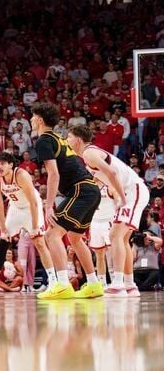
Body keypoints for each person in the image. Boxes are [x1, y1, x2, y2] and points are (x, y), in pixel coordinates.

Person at [67, 124, 150, 298]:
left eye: (69, 137)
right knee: (123, 238)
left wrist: (121, 197)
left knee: (115, 236)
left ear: (78, 139)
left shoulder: (89, 153)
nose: (67, 141)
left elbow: (111, 173)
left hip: (131, 190)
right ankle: (129, 285)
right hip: (132, 190)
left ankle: (118, 284)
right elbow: (103, 178)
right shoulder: (88, 156)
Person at [31, 104, 103, 300]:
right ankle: (94, 284)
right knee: (75, 238)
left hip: (80, 189)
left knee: (52, 234)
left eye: (33, 117)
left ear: (39, 120)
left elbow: (53, 174)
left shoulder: (43, 141)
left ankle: (62, 284)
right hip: (90, 189)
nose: (30, 120)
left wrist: (48, 205)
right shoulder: (58, 138)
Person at [0, 152, 54, 295]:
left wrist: (34, 227)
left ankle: (53, 281)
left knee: (39, 241)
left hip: (31, 207)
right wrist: (3, 228)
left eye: (2, 163)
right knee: (3, 240)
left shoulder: (21, 175)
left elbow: (33, 202)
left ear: (11, 165)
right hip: (15, 207)